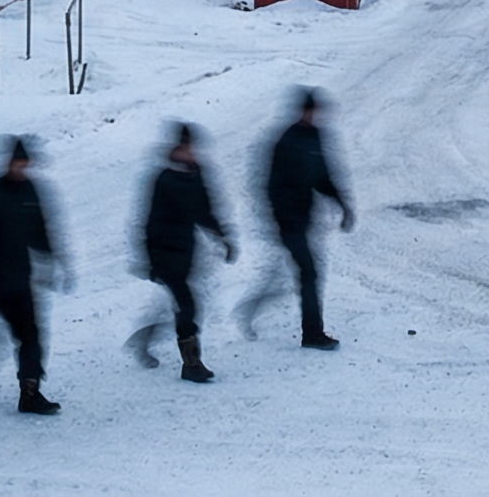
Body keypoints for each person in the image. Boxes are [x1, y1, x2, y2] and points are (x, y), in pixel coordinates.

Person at [0, 136, 68, 415]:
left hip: (21, 277)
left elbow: (41, 229)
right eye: (17, 163)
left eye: (24, 163)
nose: (21, 168)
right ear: (8, 163)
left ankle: (30, 393)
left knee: (30, 335)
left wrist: (53, 259)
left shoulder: (30, 191)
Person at [241, 89, 353, 350]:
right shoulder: (286, 141)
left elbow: (323, 175)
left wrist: (343, 204)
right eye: (310, 111)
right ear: (302, 111)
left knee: (298, 273)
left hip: (303, 219)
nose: (315, 116)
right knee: (309, 273)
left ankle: (252, 307)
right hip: (287, 220)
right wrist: (283, 218)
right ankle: (312, 334)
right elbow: (271, 185)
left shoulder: (315, 136)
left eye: (316, 112)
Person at [129, 121, 236, 384]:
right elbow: (149, 220)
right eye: (185, 148)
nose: (190, 153)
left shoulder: (196, 173)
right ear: (175, 149)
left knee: (179, 305)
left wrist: (223, 236)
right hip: (164, 252)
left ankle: (146, 336)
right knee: (187, 305)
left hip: (186, 250)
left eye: (192, 148)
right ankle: (191, 363)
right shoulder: (163, 179)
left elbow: (205, 209)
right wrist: (149, 258)